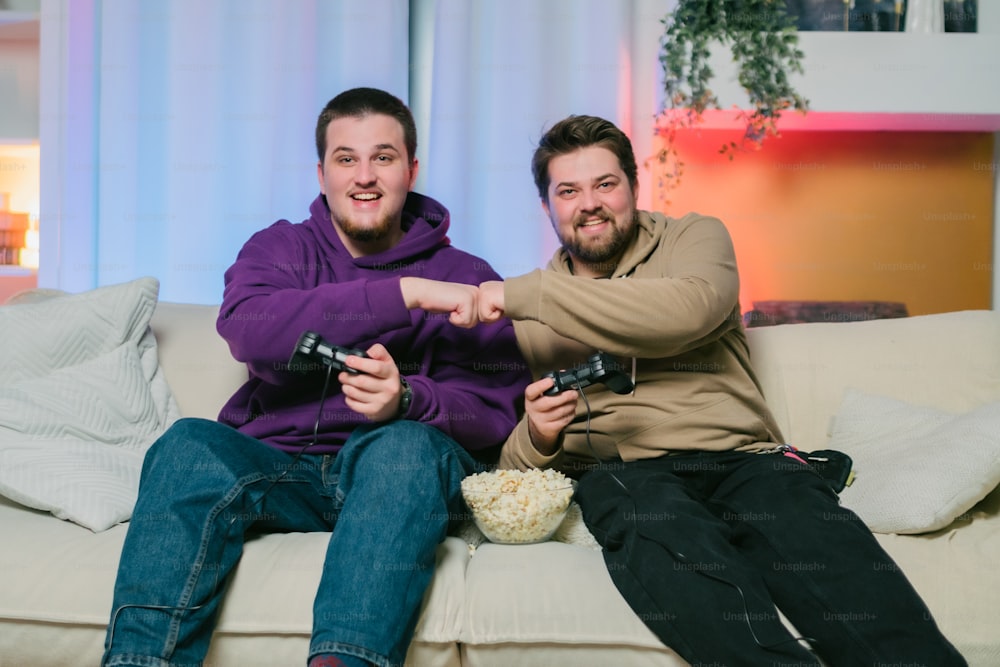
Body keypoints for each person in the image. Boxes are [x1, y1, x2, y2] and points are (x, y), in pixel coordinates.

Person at [472, 114, 966, 666]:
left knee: (819, 541)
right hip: (627, 476)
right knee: (658, 531)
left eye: (605, 184)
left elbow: (684, 313)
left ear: (634, 187)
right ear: (548, 207)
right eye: (569, 191)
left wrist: (529, 293)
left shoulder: (693, 239)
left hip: (740, 460)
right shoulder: (530, 318)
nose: (590, 203)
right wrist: (537, 434)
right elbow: (509, 478)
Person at [101, 87, 531, 667]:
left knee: (401, 447)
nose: (364, 177)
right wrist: (406, 294)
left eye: (383, 157)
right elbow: (250, 331)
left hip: (400, 479)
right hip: (284, 472)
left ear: (411, 169)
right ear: (322, 172)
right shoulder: (281, 249)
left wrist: (406, 398)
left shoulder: (468, 277)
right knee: (188, 445)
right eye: (346, 159)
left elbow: (498, 412)